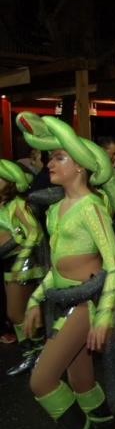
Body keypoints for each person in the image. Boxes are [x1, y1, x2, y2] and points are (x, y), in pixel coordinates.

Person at [16, 112, 115, 429]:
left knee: (41, 381)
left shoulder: (91, 207)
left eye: (59, 157)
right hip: (63, 302)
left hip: (86, 304)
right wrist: (35, 299)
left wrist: (104, 317)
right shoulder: (53, 210)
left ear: (80, 166)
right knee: (81, 381)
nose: (50, 164)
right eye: (50, 157)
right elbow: (58, 267)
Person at [0, 159, 45, 376]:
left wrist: (21, 254)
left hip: (22, 262)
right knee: (17, 314)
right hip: (7, 262)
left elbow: (35, 232)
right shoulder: (2, 204)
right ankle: (32, 355)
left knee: (16, 313)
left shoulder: (16, 203)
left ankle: (39, 354)